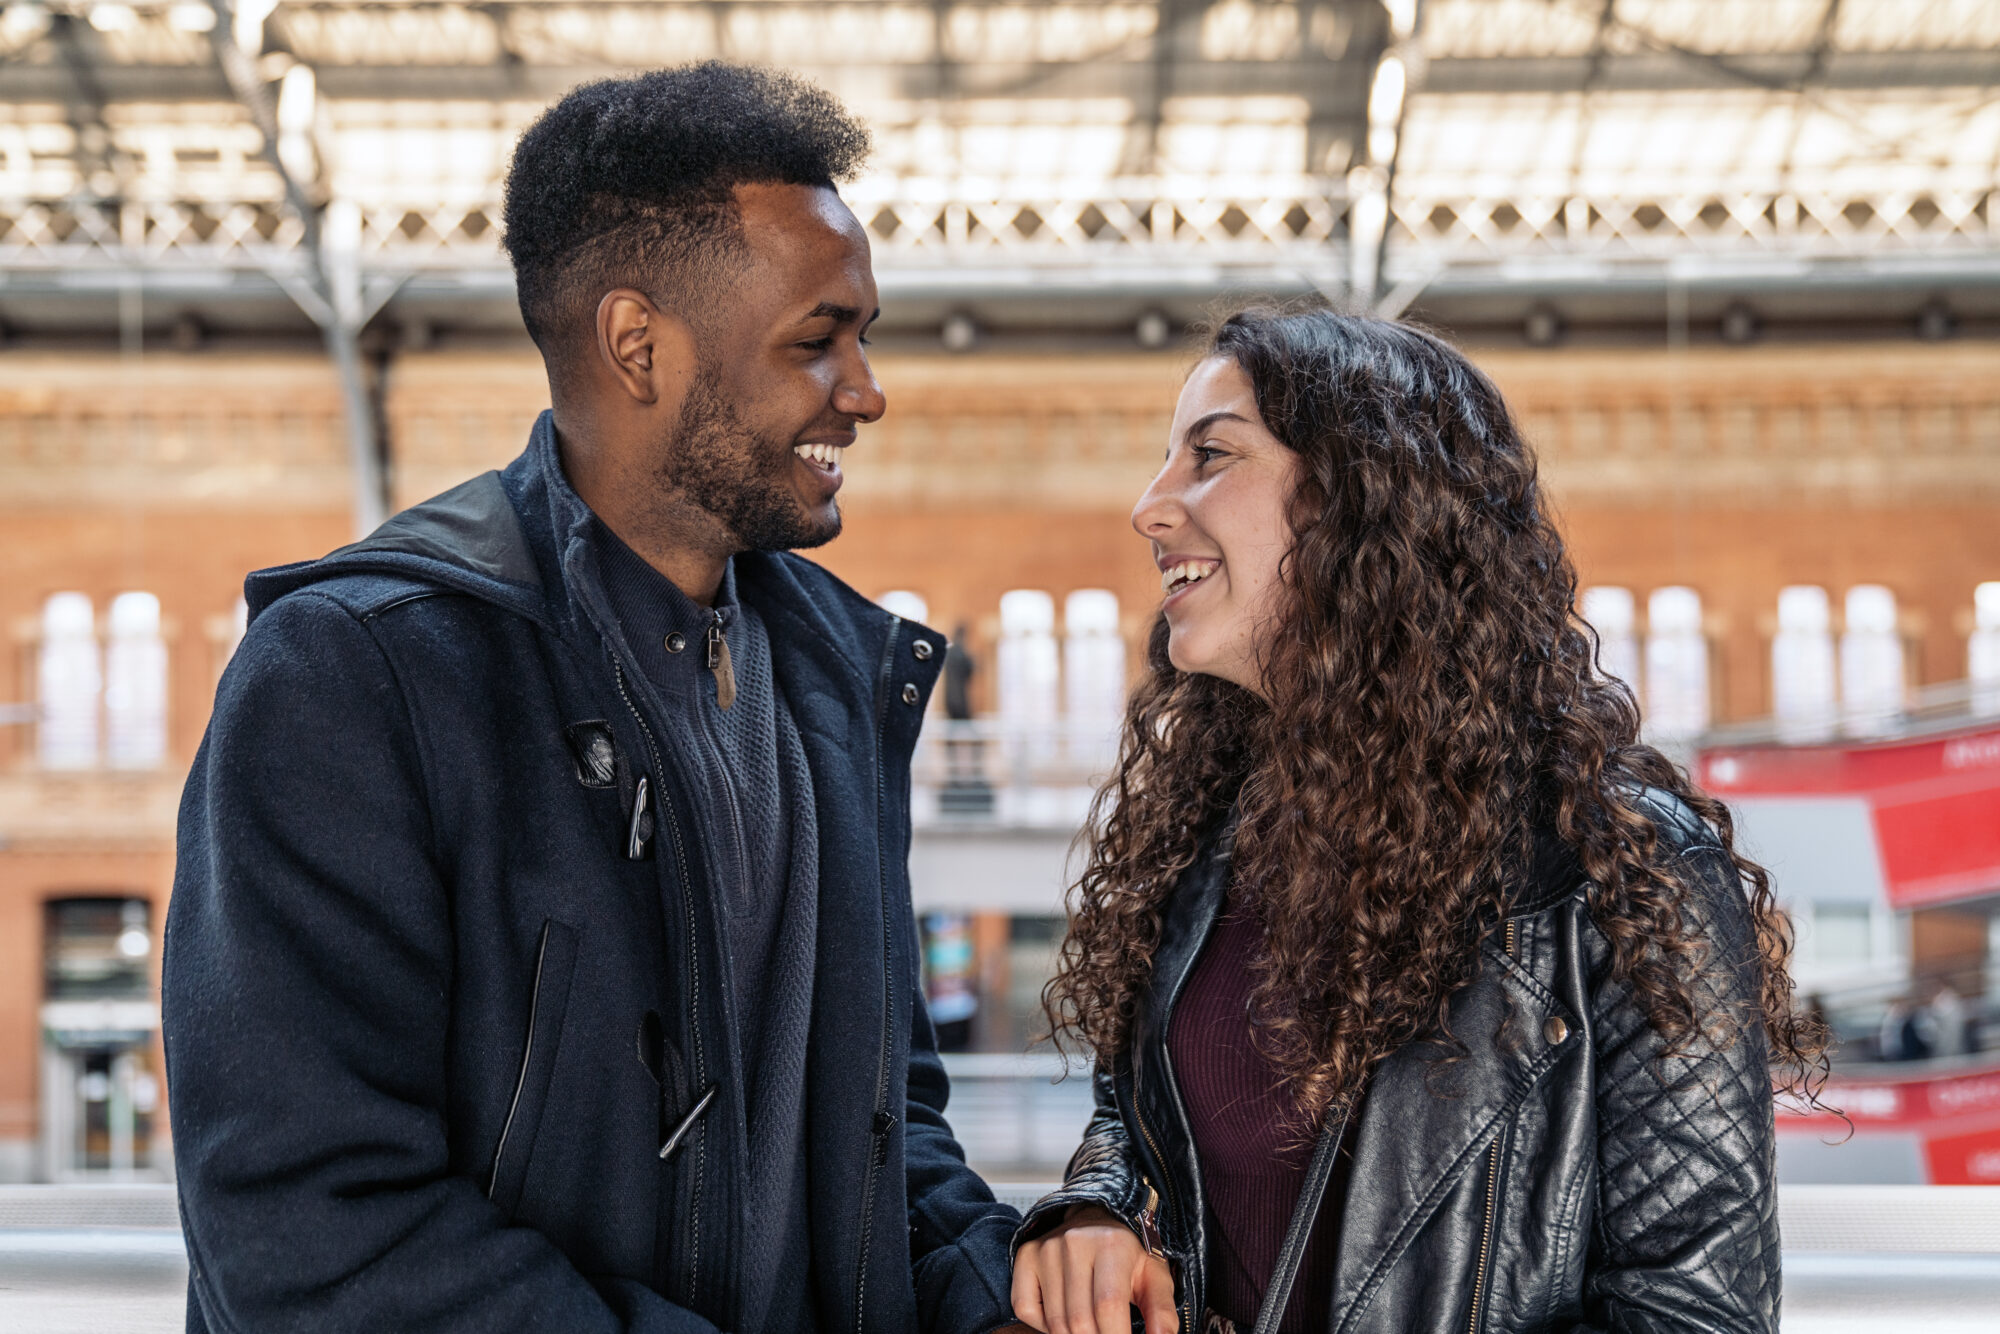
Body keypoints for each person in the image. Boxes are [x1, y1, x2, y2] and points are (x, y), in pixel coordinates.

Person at [164, 64, 1020, 1333]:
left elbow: (886, 1136)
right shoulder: (356, 676)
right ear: (638, 346)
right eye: (816, 338)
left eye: (863, 335)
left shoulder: (839, 687)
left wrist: (1002, 1285)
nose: (865, 386)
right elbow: (310, 1233)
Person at [1008, 308, 1824, 1334]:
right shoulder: (1209, 840)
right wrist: (1099, 1202)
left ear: (1360, 500)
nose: (1149, 507)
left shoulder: (1614, 872)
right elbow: (1141, 1116)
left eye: (1209, 455)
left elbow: (1690, 1313)